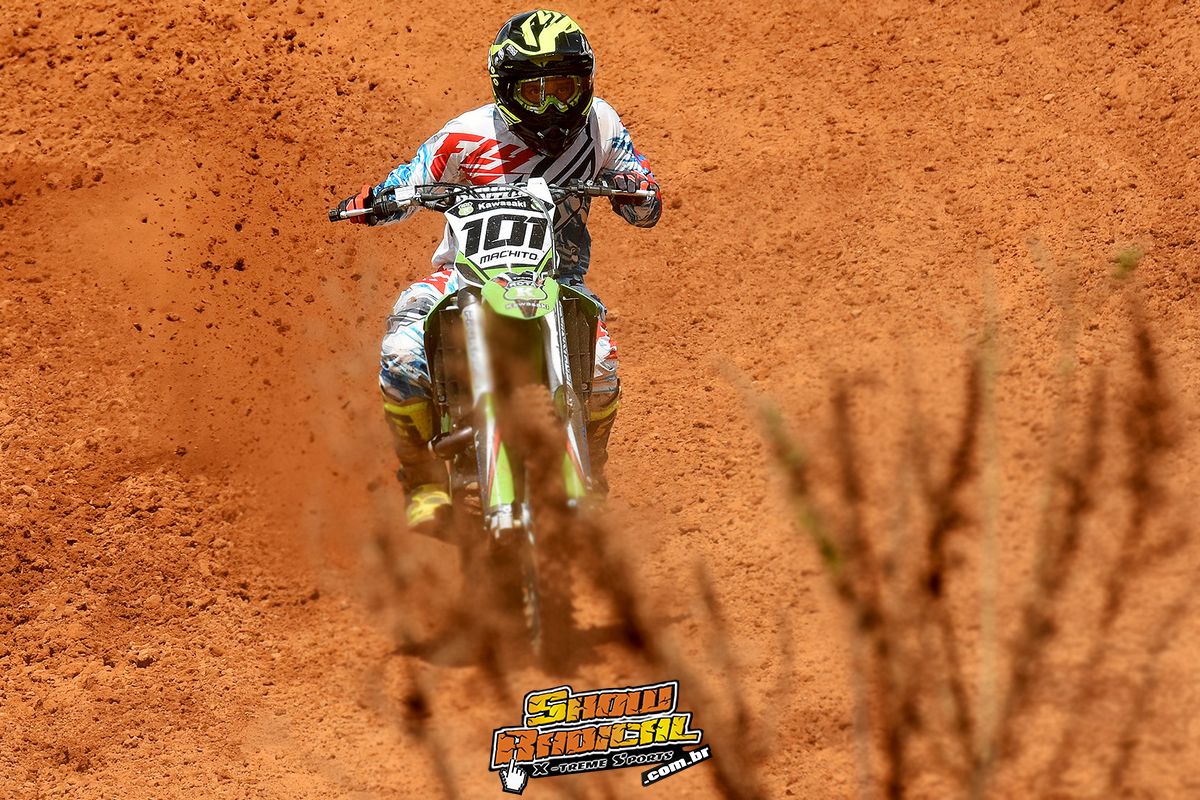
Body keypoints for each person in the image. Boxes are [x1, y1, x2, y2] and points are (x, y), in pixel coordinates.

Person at [336, 9, 662, 531]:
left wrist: (637, 190)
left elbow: (641, 193)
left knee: (602, 366)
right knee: (401, 354)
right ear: (506, 90)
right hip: (462, 277)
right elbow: (408, 181)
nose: (552, 106)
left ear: (585, 84)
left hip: (558, 282)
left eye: (564, 89)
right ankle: (422, 481)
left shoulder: (600, 124)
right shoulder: (465, 136)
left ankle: (591, 471)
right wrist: (375, 201)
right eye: (535, 93)